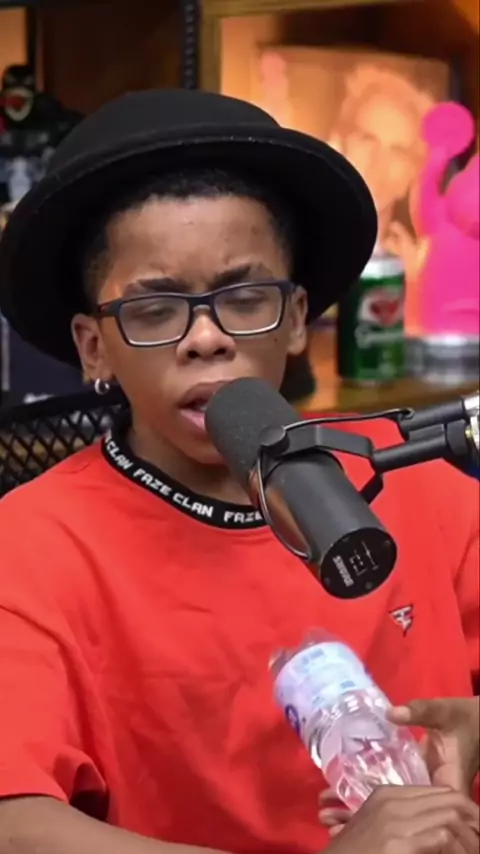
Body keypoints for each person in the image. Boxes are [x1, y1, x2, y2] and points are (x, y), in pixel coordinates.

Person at [0, 89, 478, 854]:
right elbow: (15, 822)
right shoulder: (31, 546)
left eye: (245, 298)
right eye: (155, 311)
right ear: (93, 347)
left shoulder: (413, 476)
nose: (205, 339)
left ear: (295, 319)